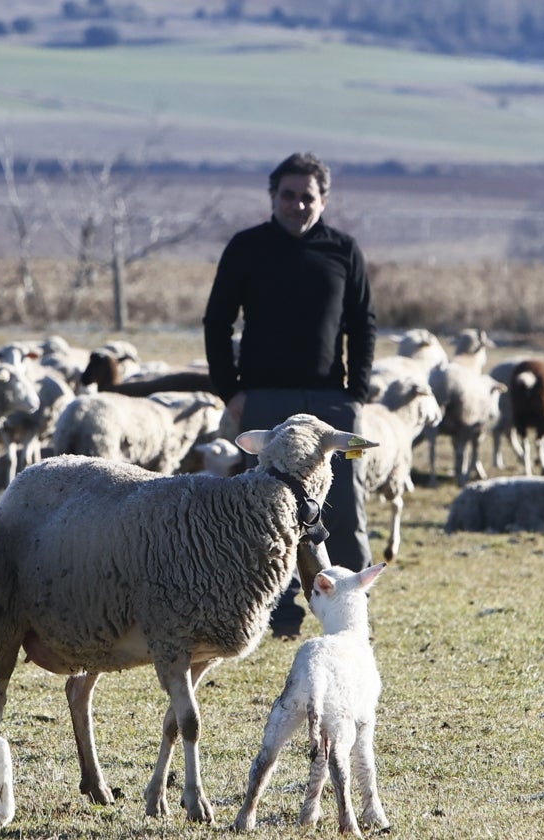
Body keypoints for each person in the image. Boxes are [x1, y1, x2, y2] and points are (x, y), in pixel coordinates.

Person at [202, 151, 376, 637]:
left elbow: (363, 324)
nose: (298, 205)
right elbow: (217, 322)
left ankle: (347, 615)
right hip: (266, 403)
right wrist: (232, 393)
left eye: (308, 197)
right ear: (273, 197)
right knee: (266, 514)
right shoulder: (247, 247)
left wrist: (355, 394)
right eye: (289, 196)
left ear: (323, 200)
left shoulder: (343, 251)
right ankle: (272, 614)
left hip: (329, 405)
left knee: (343, 507)